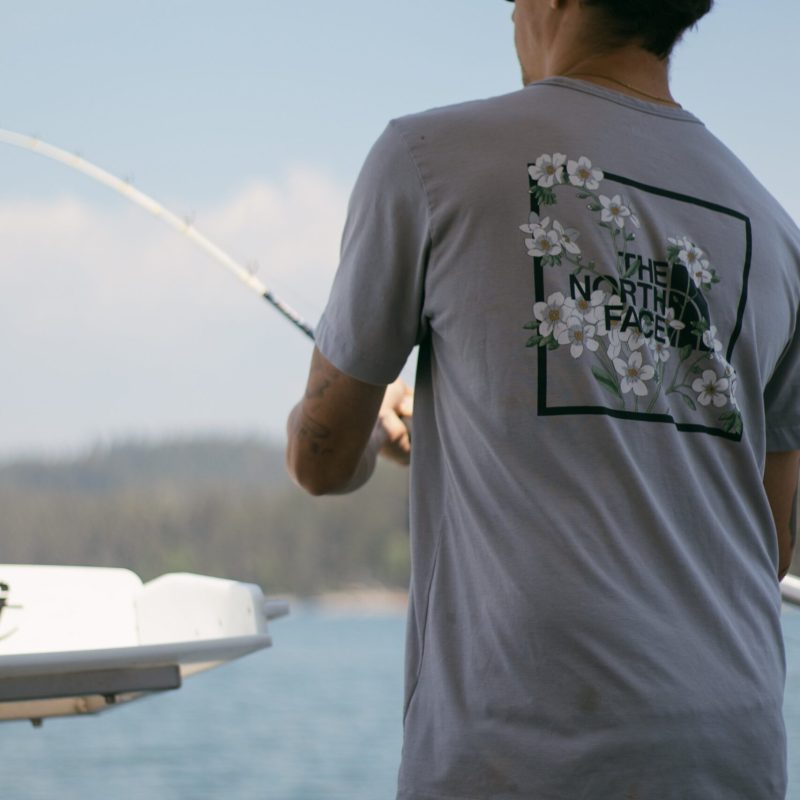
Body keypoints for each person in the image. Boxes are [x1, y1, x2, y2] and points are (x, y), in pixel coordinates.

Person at [286, 0, 800, 796]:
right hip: (735, 745)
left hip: (524, 754)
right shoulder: (775, 233)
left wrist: (366, 435)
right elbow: (765, 541)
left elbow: (319, 459)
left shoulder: (427, 158)